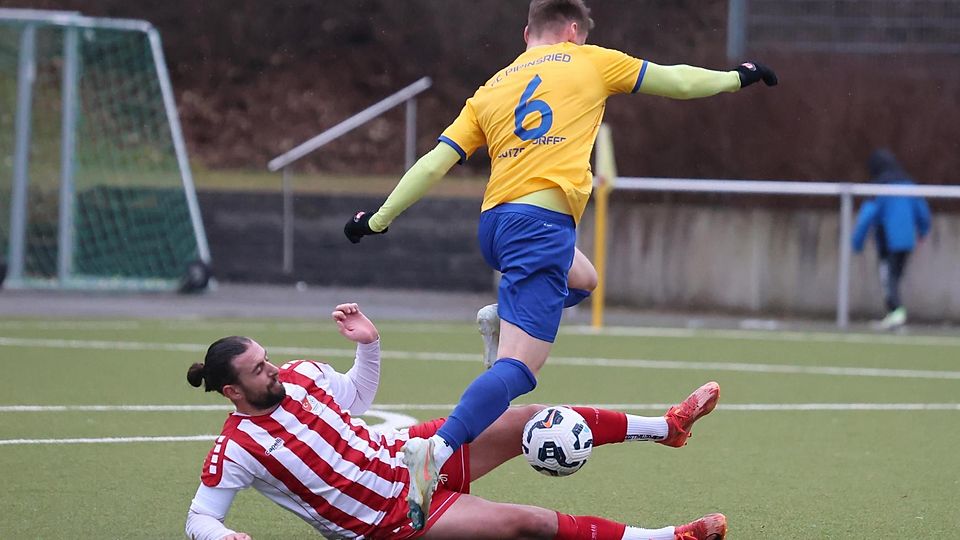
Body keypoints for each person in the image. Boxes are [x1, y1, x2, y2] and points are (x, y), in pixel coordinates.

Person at [342, 0, 775, 526]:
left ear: (527, 33)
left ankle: (505, 321)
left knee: (584, 278)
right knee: (520, 371)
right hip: (541, 229)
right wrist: (736, 77)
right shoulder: (588, 59)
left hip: (498, 226)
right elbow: (677, 82)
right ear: (574, 31)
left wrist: (378, 221)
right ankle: (436, 450)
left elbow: (435, 161)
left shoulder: (493, 86)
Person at [184, 303, 727, 540]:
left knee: (531, 419)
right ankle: (668, 537)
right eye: (258, 369)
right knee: (529, 521)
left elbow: (356, 395)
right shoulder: (238, 448)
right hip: (392, 518)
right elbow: (200, 517)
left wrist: (369, 346)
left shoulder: (302, 374)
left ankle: (668, 426)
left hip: (413, 454)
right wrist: (222, 535)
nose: (272, 369)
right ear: (233, 391)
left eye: (266, 357)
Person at [852, 149, 932, 330]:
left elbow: (867, 216)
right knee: (893, 276)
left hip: (889, 241)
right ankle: (894, 313)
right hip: (906, 240)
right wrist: (923, 230)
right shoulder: (909, 185)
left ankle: (896, 312)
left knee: (889, 277)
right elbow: (922, 211)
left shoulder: (880, 188)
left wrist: (857, 242)